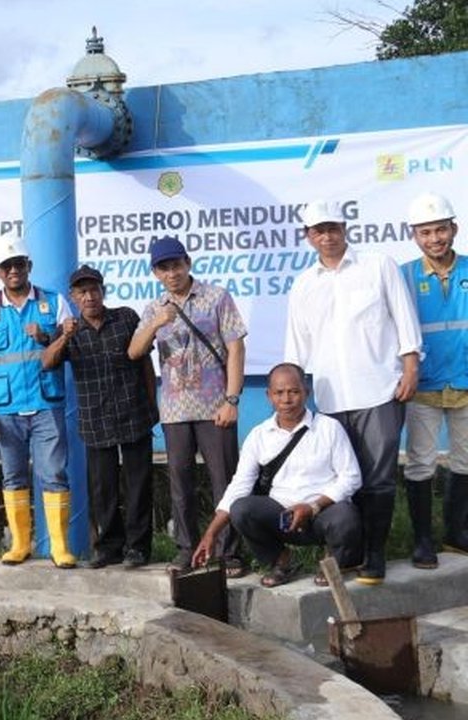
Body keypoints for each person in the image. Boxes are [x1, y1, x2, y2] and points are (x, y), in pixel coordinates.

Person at [285, 200, 422, 585]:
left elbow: (404, 317)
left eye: (332, 228)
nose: (326, 236)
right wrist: (295, 396)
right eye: (318, 231)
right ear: (308, 236)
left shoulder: (378, 265)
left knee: (378, 480)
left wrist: (410, 365)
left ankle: (375, 555)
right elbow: (296, 345)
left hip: (379, 390)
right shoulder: (304, 284)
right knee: (341, 481)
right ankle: (348, 554)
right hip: (329, 398)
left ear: (345, 228)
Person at [127, 235, 248, 577]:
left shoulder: (216, 297)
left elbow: (236, 349)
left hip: (215, 407)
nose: (172, 273)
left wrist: (232, 399)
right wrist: (154, 324)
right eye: (164, 268)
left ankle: (230, 553)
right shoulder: (154, 308)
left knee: (225, 481)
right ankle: (187, 549)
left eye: (177, 265)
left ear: (188, 263)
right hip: (175, 412)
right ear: (155, 272)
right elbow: (134, 352)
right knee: (180, 484)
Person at [193, 363, 362, 588]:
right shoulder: (259, 435)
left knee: (346, 515)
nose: (286, 399)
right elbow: (239, 486)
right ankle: (281, 562)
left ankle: (333, 562)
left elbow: (351, 477)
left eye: (294, 391)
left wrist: (312, 507)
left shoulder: (329, 428)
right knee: (241, 509)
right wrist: (211, 534)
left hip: (322, 514)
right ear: (269, 396)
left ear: (306, 393)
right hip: (282, 518)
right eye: (279, 393)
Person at [0, 231, 76, 568]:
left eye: (18, 264)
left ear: (28, 265)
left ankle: (60, 547)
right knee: (13, 477)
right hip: (4, 410)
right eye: (6, 266)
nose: (13, 270)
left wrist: (48, 338)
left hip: (46, 404)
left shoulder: (54, 302)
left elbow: (66, 350)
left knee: (54, 474)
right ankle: (20, 544)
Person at [43, 266, 157, 569]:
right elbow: (47, 362)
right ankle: (108, 547)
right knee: (102, 488)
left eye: (94, 290)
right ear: (73, 297)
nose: (89, 296)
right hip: (95, 419)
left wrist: (152, 403)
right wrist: (64, 338)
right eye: (82, 292)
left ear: (102, 291)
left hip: (134, 413)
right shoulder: (69, 329)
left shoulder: (127, 317)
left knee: (138, 485)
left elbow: (145, 363)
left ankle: (138, 548)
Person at [401, 192, 468, 560]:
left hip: (465, 381)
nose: (434, 239)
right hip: (423, 384)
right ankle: (423, 540)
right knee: (421, 463)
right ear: (415, 236)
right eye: (425, 232)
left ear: (453, 229)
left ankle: (457, 533)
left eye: (440, 230)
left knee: (465, 461)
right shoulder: (404, 276)